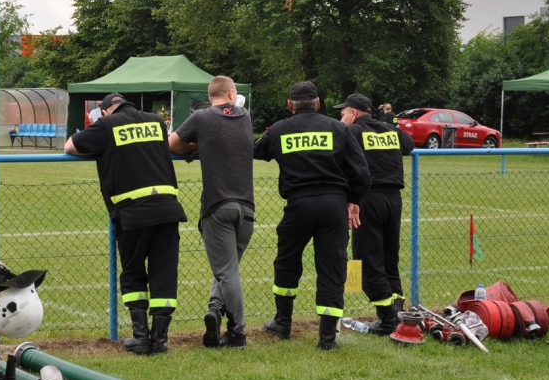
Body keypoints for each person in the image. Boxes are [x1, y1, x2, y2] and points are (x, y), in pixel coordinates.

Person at [65, 92, 186, 354]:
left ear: (107, 110)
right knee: (164, 272)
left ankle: (141, 338)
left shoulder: (107, 124)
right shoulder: (155, 121)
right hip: (167, 208)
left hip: (133, 212)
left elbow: (70, 147)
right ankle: (161, 340)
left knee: (132, 273)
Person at [253, 81, 371, 350]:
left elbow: (256, 150)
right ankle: (327, 338)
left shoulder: (280, 129)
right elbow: (361, 172)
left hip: (299, 205)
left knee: (287, 262)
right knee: (332, 267)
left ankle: (282, 323)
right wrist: (354, 200)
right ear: (318, 102)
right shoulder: (339, 128)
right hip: (334, 205)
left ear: (289, 105)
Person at [168, 76, 255, 349]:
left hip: (218, 206)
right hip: (247, 208)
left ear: (210, 96)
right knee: (228, 269)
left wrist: (195, 147)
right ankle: (215, 310)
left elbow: (171, 144)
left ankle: (238, 333)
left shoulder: (202, 118)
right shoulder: (246, 117)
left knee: (227, 273)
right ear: (231, 93)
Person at [335, 93, 413, 334]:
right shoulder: (390, 130)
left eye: (343, 113)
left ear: (354, 113)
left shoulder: (353, 132)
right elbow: (408, 146)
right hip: (393, 200)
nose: (341, 117)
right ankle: (398, 310)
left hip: (367, 201)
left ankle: (387, 318)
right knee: (390, 257)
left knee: (367, 261)